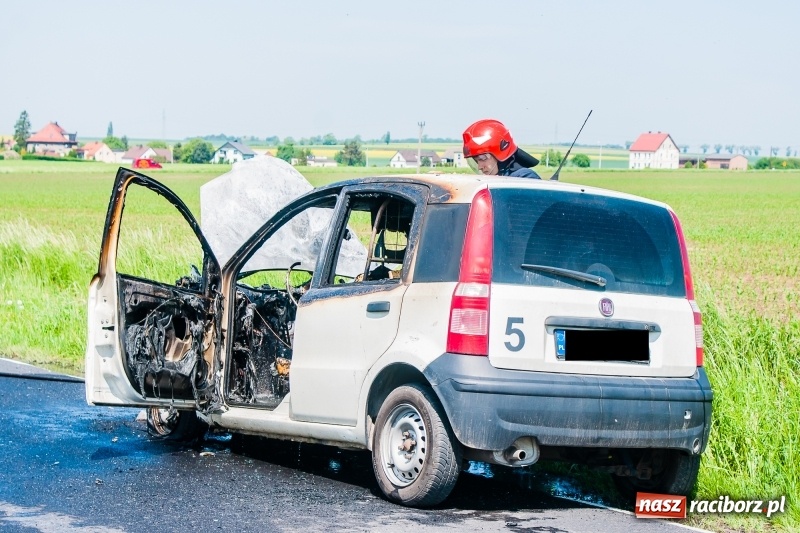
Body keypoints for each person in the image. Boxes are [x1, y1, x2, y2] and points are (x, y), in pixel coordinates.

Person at [462, 119, 541, 179]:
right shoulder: (496, 179)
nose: (480, 167)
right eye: (476, 161)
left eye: (483, 159)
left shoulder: (524, 178)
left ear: (501, 156)